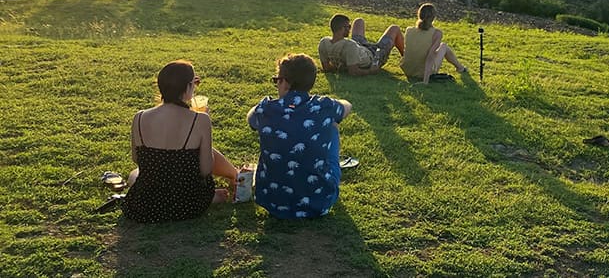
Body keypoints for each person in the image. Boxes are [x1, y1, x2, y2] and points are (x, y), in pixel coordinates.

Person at [121, 61, 239, 223]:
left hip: (144, 207)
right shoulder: (200, 120)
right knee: (206, 151)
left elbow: (137, 159)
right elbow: (205, 170)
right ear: (188, 86)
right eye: (195, 83)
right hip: (188, 205)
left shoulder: (139, 117)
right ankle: (234, 177)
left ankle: (233, 176)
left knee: (135, 174)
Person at [248, 54, 352, 219]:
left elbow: (251, 119)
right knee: (332, 126)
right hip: (319, 203)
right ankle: (325, 175)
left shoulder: (265, 109)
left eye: (277, 80)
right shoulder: (323, 106)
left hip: (272, 202)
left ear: (285, 82)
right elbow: (347, 106)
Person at [401, 3, 468, 83]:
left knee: (436, 48)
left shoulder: (409, 30)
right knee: (443, 46)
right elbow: (430, 56)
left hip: (407, 70)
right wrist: (425, 81)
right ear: (433, 17)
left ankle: (460, 67)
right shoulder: (436, 33)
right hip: (422, 73)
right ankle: (460, 68)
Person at [318, 13, 404, 75]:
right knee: (394, 28)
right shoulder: (349, 45)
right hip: (373, 55)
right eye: (349, 27)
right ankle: (406, 59)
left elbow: (326, 68)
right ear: (342, 29)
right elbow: (354, 71)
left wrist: (341, 66)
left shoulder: (324, 42)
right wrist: (371, 71)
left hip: (359, 47)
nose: (350, 29)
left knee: (359, 21)